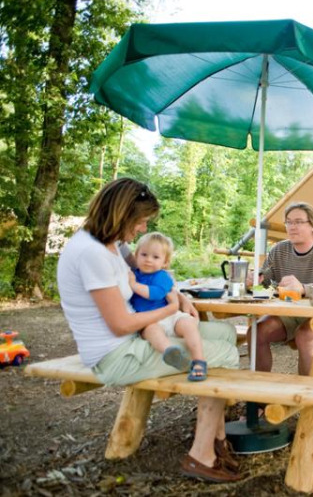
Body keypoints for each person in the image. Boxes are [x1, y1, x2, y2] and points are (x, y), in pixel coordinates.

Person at [56, 178, 242, 483]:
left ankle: (217, 438)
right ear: (122, 214)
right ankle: (202, 454)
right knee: (226, 353)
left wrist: (180, 297)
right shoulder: (92, 254)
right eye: (140, 221)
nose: (142, 229)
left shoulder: (113, 244)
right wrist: (171, 310)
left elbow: (155, 274)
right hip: (116, 354)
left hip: (134, 339)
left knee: (224, 332)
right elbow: (120, 324)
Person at [252, 202, 313, 376]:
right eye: (289, 222)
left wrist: (304, 289)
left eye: (298, 222)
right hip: (289, 310)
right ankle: (258, 397)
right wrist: (253, 280)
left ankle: (307, 398)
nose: (292, 227)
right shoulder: (279, 250)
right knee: (256, 332)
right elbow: (265, 280)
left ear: (312, 225)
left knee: (305, 336)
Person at [129, 232, 207, 381]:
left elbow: (156, 293)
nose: (148, 260)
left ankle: (199, 361)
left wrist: (133, 285)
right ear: (136, 255)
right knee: (151, 331)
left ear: (165, 262)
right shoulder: (133, 274)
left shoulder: (163, 276)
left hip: (170, 316)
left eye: (155, 257)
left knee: (188, 325)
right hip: (149, 320)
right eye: (144, 254)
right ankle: (171, 352)